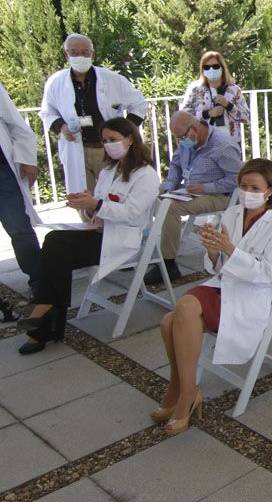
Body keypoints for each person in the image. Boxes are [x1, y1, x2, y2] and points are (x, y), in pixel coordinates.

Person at [154, 158, 272, 435]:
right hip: (223, 284)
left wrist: (229, 248)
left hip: (250, 295)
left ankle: (183, 395)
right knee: (172, 319)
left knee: (177, 316)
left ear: (270, 190)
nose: (247, 191)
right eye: (243, 185)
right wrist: (214, 251)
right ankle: (183, 391)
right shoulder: (231, 214)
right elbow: (216, 267)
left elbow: (265, 274)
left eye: (255, 187)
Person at [16, 118, 159, 354]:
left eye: (113, 140)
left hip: (122, 237)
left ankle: (42, 317)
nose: (108, 145)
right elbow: (99, 205)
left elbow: (132, 214)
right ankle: (44, 316)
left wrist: (97, 204)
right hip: (100, 231)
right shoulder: (109, 170)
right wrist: (86, 204)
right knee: (55, 243)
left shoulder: (145, 174)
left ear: (131, 139)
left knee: (57, 248)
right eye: (104, 141)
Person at [40, 33, 147, 198]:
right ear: (66, 55)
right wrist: (61, 127)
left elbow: (139, 104)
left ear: (93, 54)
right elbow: (47, 111)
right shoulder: (56, 82)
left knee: (114, 196)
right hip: (76, 148)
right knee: (83, 199)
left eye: (85, 52)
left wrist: (125, 133)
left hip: (106, 150)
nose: (80, 57)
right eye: (74, 53)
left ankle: (109, 225)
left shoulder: (112, 79)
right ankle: (92, 224)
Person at [146, 111, 242, 285]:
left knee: (170, 207)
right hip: (189, 188)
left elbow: (236, 180)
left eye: (182, 137)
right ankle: (143, 240)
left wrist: (205, 188)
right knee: (150, 192)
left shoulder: (223, 146)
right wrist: (170, 187)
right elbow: (175, 165)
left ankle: (168, 264)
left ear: (194, 128)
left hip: (219, 195)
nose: (181, 141)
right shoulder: (188, 140)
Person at [0, 81, 42, 306]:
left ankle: (39, 279)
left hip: (3, 174)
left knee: (19, 227)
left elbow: (16, 125)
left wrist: (27, 160)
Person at [180, 51, 250, 139]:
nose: (211, 70)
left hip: (230, 142)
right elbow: (183, 115)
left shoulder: (234, 89)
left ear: (222, 68)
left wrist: (229, 106)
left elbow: (246, 117)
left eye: (215, 66)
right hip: (204, 142)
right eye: (207, 67)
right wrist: (207, 114)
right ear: (202, 70)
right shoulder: (195, 89)